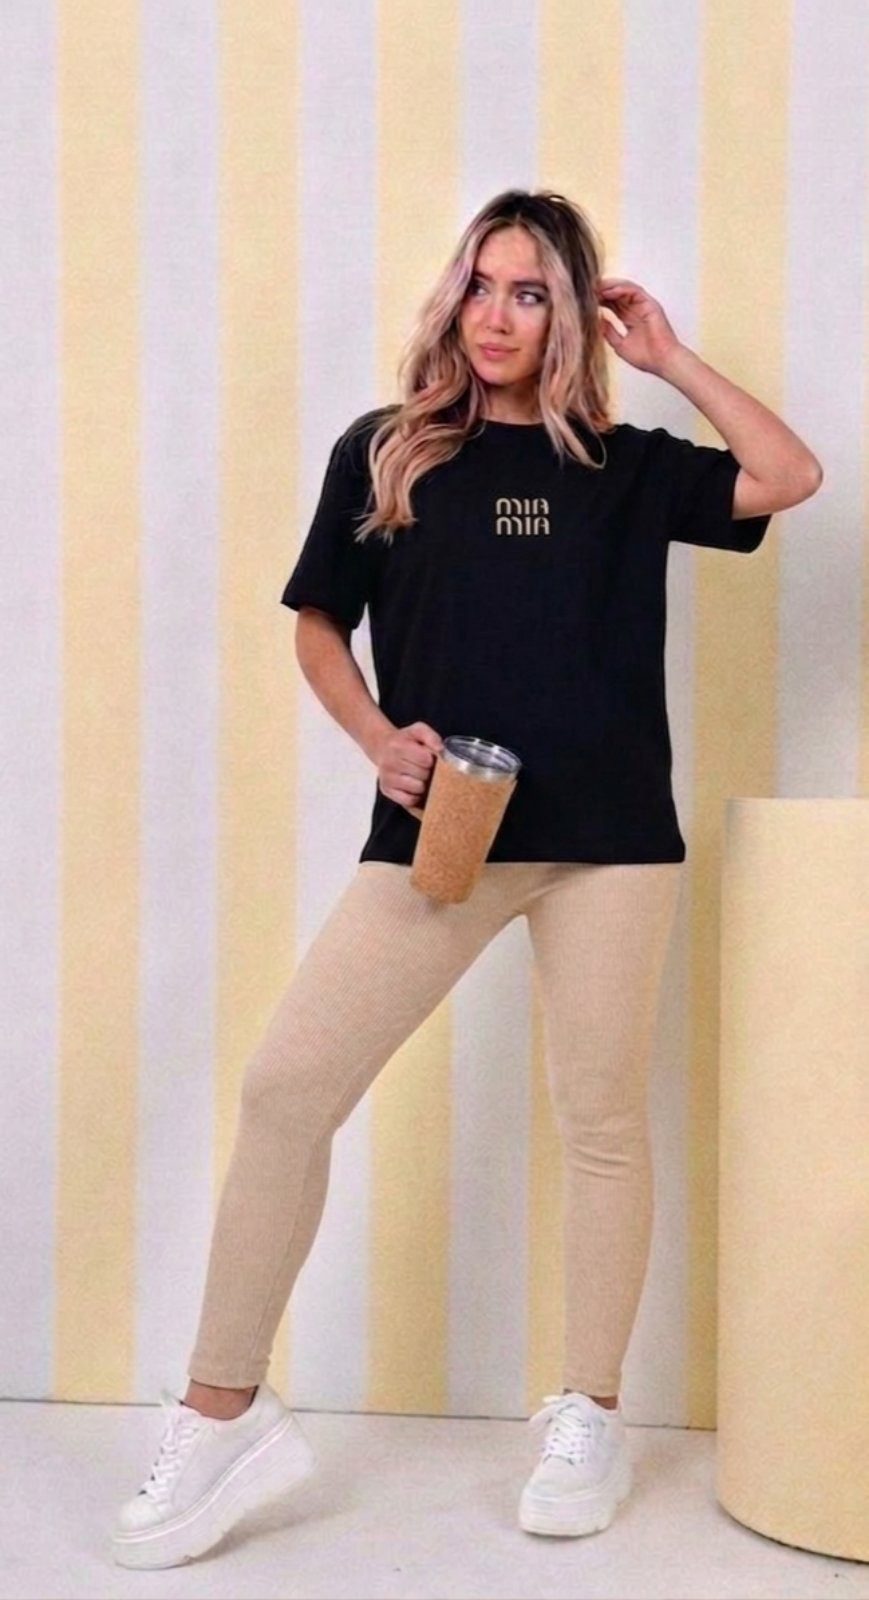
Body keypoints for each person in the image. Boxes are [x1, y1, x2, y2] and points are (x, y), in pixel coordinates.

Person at [112, 188, 822, 1568]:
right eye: (483, 285)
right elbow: (319, 623)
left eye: (532, 293)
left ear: (569, 319)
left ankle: (589, 1412)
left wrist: (670, 356)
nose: (498, 315)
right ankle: (222, 1410)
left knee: (601, 1122)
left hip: (611, 843)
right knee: (285, 1091)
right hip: (444, 838)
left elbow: (788, 476)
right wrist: (377, 737)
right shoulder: (388, 453)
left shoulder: (620, 466)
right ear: (455, 297)